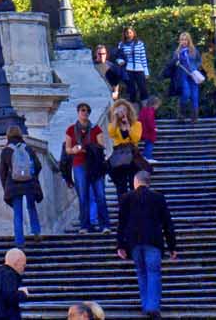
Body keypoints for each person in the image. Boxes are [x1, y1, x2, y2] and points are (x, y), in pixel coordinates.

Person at [115, 169, 177, 320]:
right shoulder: (158, 198)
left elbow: (121, 224)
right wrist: (172, 246)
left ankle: (145, 304)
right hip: (153, 241)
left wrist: (120, 245)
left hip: (134, 242)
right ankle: (153, 306)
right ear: (148, 183)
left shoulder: (126, 198)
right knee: (154, 272)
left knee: (141, 273)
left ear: (135, 181)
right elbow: (167, 224)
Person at [62, 102, 108, 232]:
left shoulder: (96, 129)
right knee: (83, 195)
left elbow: (101, 146)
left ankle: (104, 225)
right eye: (83, 110)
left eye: (87, 110)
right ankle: (84, 225)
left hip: (95, 164)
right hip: (79, 164)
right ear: (78, 112)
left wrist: (89, 148)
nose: (85, 112)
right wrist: (75, 150)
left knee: (100, 194)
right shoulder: (71, 130)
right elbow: (67, 150)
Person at [0, 125, 43, 245]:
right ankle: (36, 231)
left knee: (18, 213)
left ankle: (19, 241)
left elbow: (2, 172)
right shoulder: (27, 148)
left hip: (14, 185)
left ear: (8, 136)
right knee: (31, 207)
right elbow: (38, 166)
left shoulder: (6, 150)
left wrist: (5, 186)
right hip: (29, 184)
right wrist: (33, 177)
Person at [105, 99, 145, 211]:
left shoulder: (137, 124)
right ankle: (123, 207)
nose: (122, 112)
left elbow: (136, 138)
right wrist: (115, 118)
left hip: (132, 156)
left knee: (134, 184)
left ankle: (135, 207)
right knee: (121, 185)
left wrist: (128, 126)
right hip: (119, 156)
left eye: (124, 110)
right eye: (119, 110)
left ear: (128, 111)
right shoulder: (113, 126)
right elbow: (111, 133)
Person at [0, 249, 27, 320]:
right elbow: (11, 297)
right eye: (23, 265)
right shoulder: (10, 275)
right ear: (17, 262)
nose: (23, 269)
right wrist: (23, 293)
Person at [170, 32, 204, 121]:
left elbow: (199, 60)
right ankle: (181, 114)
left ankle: (194, 117)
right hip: (183, 75)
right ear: (179, 41)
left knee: (194, 96)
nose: (184, 42)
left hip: (193, 75)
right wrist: (176, 62)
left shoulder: (194, 50)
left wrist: (195, 67)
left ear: (189, 40)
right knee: (186, 94)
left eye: (185, 40)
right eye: (182, 40)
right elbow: (173, 64)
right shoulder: (177, 52)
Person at [117, 25, 150, 104]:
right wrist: (120, 61)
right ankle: (132, 108)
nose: (129, 34)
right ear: (124, 34)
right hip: (128, 69)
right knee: (132, 90)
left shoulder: (140, 44)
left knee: (143, 89)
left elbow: (143, 58)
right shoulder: (121, 44)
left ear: (133, 33)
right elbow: (118, 56)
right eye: (127, 33)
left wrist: (146, 72)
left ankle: (145, 108)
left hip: (139, 69)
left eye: (130, 32)